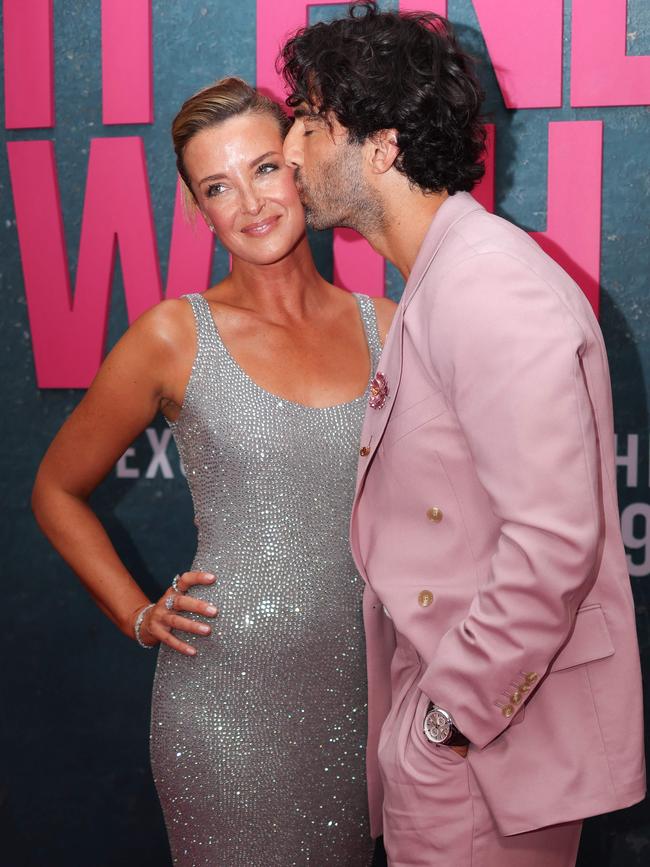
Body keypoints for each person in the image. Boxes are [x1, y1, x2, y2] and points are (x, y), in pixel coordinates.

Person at [280, 4, 646, 865]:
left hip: (489, 754)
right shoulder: (448, 278)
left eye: (310, 121)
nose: (290, 151)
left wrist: (447, 723)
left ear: (382, 146)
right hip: (475, 746)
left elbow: (554, 543)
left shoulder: (484, 286)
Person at [32, 76, 395, 866]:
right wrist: (136, 612)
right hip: (224, 711)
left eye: (264, 169)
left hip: (366, 703)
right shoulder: (173, 335)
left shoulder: (390, 326)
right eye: (218, 187)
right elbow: (55, 489)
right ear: (199, 210)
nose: (252, 203)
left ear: (300, 165)